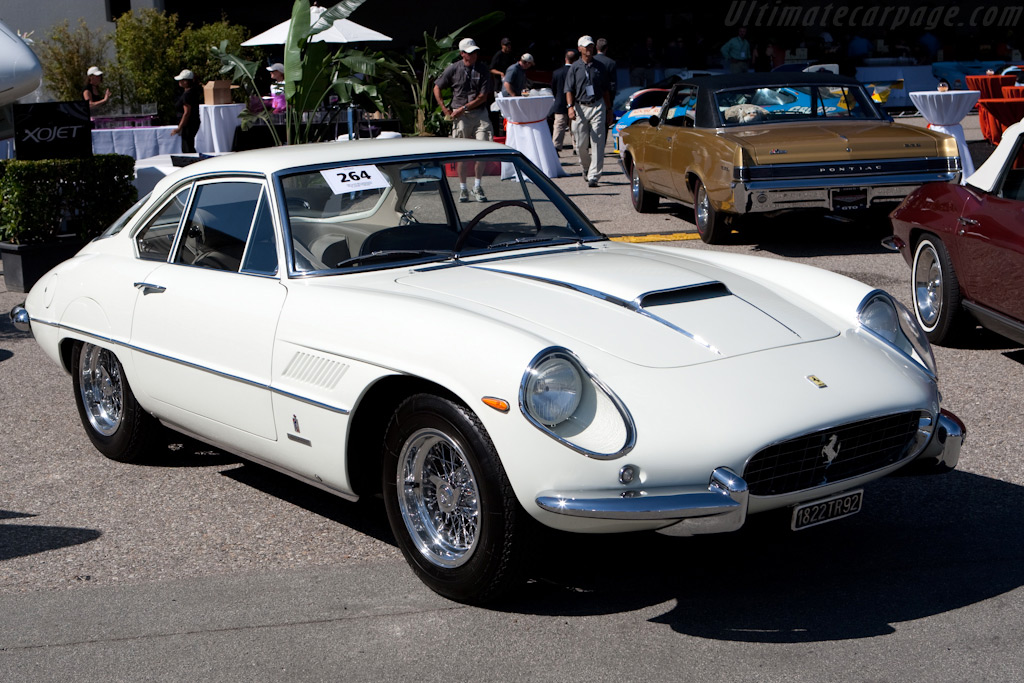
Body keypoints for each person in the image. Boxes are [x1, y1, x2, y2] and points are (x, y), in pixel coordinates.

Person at [433, 37, 493, 202]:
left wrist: (463, 108)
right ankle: (463, 188)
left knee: (483, 150)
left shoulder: (483, 69)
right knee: (462, 154)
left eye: (474, 52)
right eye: (469, 53)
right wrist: (444, 108)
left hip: (479, 113)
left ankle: (478, 185)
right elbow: (437, 87)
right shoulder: (453, 69)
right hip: (460, 116)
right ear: (462, 54)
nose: (473, 56)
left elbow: (483, 97)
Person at [565, 35, 610, 187]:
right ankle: (586, 167)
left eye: (591, 46)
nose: (589, 49)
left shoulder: (600, 67)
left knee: (597, 141)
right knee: (580, 144)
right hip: (579, 106)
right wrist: (570, 107)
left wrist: (609, 109)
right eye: (585, 46)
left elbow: (606, 90)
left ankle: (594, 176)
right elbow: (569, 89)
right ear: (579, 49)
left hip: (597, 104)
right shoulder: (574, 68)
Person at [550, 48, 577, 152]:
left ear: (565, 59)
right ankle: (576, 146)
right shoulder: (575, 72)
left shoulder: (557, 73)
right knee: (575, 128)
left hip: (560, 102)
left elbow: (553, 88)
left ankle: (556, 147)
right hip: (574, 103)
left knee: (559, 127)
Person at [171, 69, 202, 154]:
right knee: (189, 145)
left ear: (186, 82)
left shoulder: (187, 95)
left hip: (189, 124)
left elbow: (187, 112)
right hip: (193, 122)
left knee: (187, 147)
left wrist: (179, 128)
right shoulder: (193, 92)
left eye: (181, 80)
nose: (179, 82)